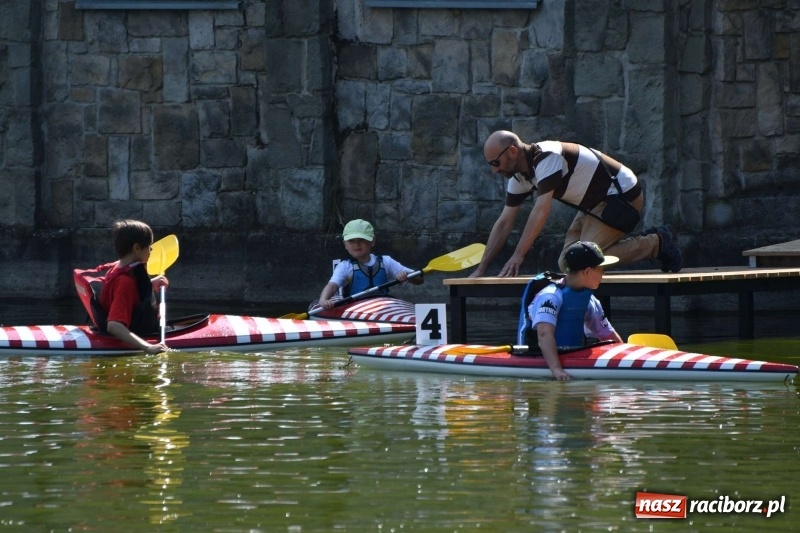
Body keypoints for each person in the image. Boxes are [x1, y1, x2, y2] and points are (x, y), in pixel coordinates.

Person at [470, 130, 682, 277]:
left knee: (583, 262)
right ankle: (655, 242)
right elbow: (504, 223)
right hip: (592, 207)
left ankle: (657, 242)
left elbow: (541, 210)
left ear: (513, 151)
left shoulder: (547, 157)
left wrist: (518, 255)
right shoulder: (519, 177)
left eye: (495, 163)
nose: (494, 170)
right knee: (569, 263)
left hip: (621, 196)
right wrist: (481, 269)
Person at [518, 241, 623, 381]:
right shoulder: (550, 296)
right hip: (537, 358)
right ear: (587, 271)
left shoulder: (589, 300)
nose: (604, 273)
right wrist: (556, 369)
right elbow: (544, 335)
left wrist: (626, 354)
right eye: (601, 269)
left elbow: (607, 334)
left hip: (572, 356)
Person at [91, 220, 169, 354]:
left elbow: (120, 293)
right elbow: (114, 325)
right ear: (137, 248)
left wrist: (150, 283)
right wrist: (147, 347)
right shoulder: (125, 283)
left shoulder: (117, 267)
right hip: (130, 332)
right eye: (149, 246)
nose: (151, 250)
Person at [315, 219, 423, 310]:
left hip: (383, 307)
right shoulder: (344, 266)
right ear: (345, 244)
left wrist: (407, 277)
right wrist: (323, 300)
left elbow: (419, 280)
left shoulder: (386, 261)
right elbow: (333, 285)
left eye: (361, 240)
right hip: (355, 309)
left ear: (372, 241)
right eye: (351, 241)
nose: (356, 244)